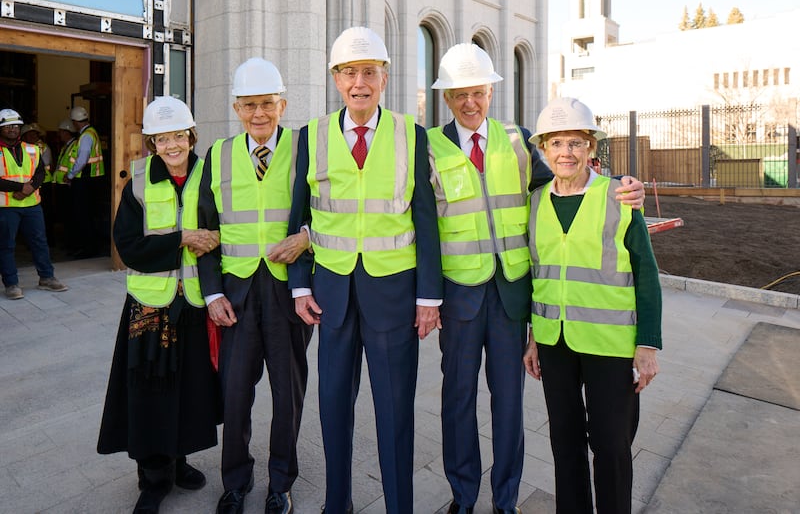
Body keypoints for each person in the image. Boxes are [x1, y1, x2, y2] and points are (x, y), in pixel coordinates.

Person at [427, 44, 645, 514]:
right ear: (447, 99)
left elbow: (572, 179)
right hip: (460, 295)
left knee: (509, 405)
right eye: (460, 94)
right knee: (458, 401)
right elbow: (423, 226)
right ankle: (463, 497)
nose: (470, 103)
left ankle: (506, 499)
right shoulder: (430, 147)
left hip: (511, 297)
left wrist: (625, 183)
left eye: (479, 92)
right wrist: (427, 296)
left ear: (491, 92)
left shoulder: (519, 140)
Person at [288, 26, 443, 514]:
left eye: (369, 72)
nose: (360, 82)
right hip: (331, 295)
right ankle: (339, 504)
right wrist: (297, 286)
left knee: (395, 412)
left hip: (395, 296)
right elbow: (299, 217)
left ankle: (400, 506)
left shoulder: (411, 136)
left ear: (385, 77)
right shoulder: (309, 137)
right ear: (336, 80)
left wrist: (429, 298)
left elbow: (426, 220)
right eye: (349, 72)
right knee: (333, 407)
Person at [522, 97, 662, 514]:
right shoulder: (533, 203)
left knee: (610, 445)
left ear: (591, 149)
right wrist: (533, 339)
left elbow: (646, 273)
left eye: (576, 143)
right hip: (554, 342)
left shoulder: (619, 196)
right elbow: (537, 276)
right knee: (564, 442)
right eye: (557, 143)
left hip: (610, 343)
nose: (566, 152)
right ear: (544, 150)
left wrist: (649, 345)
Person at [197, 57, 313, 514]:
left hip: (289, 294)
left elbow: (324, 211)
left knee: (288, 396)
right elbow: (205, 230)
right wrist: (211, 293)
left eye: (268, 104)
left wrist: (306, 238)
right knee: (235, 395)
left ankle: (280, 483)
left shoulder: (305, 150)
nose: (259, 114)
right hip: (236, 294)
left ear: (283, 104)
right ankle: (235, 482)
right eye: (249, 106)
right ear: (236, 108)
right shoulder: (219, 155)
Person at [97, 96, 222, 513]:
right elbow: (128, 246)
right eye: (162, 138)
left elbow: (226, 228)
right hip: (151, 306)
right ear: (151, 143)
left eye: (178, 136)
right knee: (151, 392)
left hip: (194, 303)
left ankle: (179, 459)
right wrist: (183, 239)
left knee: (188, 388)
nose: (172, 145)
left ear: (191, 136)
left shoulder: (211, 174)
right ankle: (153, 477)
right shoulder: (138, 181)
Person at [0, 108, 68, 300]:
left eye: (15, 125)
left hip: (32, 205)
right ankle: (11, 284)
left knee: (40, 242)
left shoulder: (32, 149)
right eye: (7, 126)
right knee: (6, 245)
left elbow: (40, 172)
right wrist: (20, 187)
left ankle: (47, 277)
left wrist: (29, 188)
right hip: (6, 206)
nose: (12, 129)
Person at [66, 105, 105, 258]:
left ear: (76, 122)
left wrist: (70, 175)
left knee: (84, 215)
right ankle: (91, 247)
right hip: (92, 180)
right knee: (89, 214)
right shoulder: (92, 132)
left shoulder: (86, 136)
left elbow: (82, 159)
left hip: (85, 180)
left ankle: (88, 249)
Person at [20, 123, 56, 244]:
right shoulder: (20, 147)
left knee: (45, 213)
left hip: (43, 184)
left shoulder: (43, 147)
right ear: (24, 136)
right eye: (30, 134)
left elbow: (43, 163)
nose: (33, 136)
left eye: (35, 134)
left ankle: (48, 239)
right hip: (27, 185)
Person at [52, 118, 79, 251]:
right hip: (62, 184)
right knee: (66, 216)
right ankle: (69, 243)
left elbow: (74, 164)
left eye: (61, 132)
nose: (59, 134)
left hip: (68, 185)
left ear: (67, 132)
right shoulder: (66, 146)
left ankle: (72, 244)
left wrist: (69, 177)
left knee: (70, 217)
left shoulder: (74, 146)